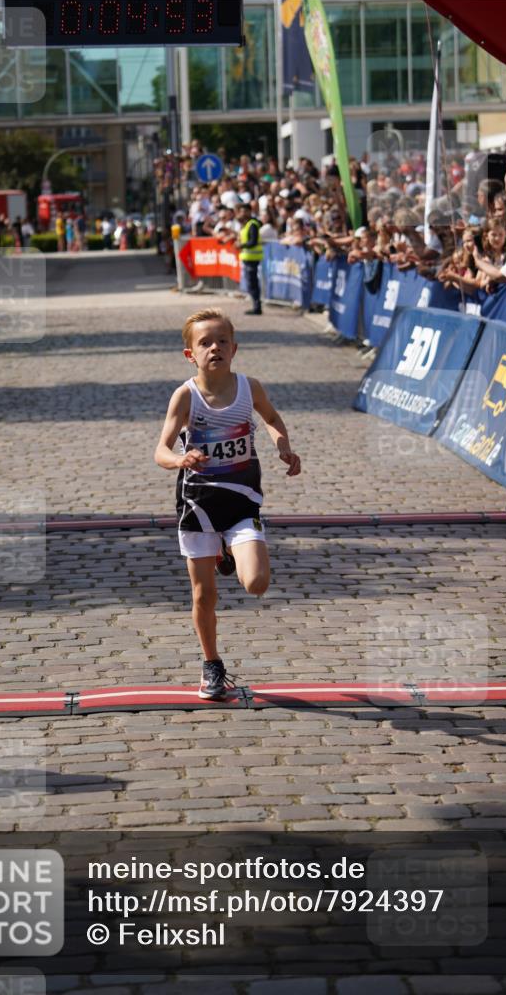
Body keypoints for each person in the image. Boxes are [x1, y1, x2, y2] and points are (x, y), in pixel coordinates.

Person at [154, 308, 301, 700]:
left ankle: (228, 551)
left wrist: (282, 444)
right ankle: (211, 665)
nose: (214, 347)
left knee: (256, 583)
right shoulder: (185, 396)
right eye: (205, 342)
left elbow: (271, 419)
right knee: (204, 595)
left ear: (234, 349)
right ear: (191, 354)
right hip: (198, 504)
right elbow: (160, 450)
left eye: (221, 341)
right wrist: (180, 459)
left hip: (241, 501)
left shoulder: (248, 388)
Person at [237, 203, 263, 316]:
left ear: (249, 211)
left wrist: (241, 245)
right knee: (251, 283)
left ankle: (257, 307)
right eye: (241, 211)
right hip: (248, 258)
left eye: (244, 211)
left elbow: (253, 241)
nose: (242, 213)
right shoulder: (246, 224)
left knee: (253, 284)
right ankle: (255, 305)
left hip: (253, 258)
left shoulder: (252, 224)